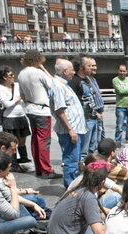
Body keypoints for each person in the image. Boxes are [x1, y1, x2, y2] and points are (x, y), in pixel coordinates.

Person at [46, 160, 108, 234]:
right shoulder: (88, 197)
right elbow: (99, 232)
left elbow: (94, 211)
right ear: (102, 182)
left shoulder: (78, 188)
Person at [51, 58, 86, 188]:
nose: (73, 72)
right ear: (65, 71)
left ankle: (74, 185)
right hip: (70, 130)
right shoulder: (58, 86)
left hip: (75, 128)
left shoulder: (62, 84)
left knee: (74, 159)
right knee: (71, 160)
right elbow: (60, 110)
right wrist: (70, 130)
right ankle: (71, 188)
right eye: (71, 69)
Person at [0, 65, 31, 169]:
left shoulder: (17, 85)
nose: (13, 76)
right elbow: (7, 104)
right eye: (11, 75)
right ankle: (13, 162)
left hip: (21, 116)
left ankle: (24, 157)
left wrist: (17, 100)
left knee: (22, 139)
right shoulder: (0, 88)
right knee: (11, 142)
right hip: (10, 118)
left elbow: (24, 97)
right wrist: (18, 98)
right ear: (4, 77)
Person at [69, 55, 98, 163]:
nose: (91, 68)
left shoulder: (88, 79)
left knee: (93, 146)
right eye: (89, 65)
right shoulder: (74, 81)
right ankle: (81, 169)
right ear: (81, 67)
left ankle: (92, 166)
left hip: (93, 117)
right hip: (84, 119)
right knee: (83, 150)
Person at [112, 64, 128, 143]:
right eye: (120, 71)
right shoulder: (115, 80)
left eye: (124, 71)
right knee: (120, 126)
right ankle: (118, 142)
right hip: (120, 106)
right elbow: (120, 91)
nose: (122, 72)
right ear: (118, 71)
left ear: (127, 71)